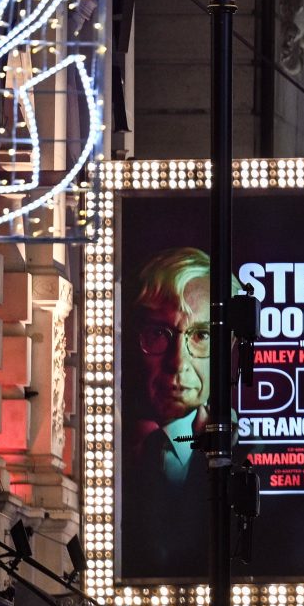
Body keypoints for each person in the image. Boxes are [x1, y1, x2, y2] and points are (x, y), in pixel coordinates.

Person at [119, 245, 217, 580]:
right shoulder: (107, 448)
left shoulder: (252, 449)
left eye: (201, 335)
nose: (178, 361)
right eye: (158, 334)